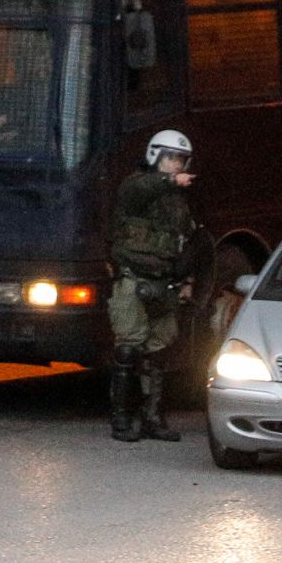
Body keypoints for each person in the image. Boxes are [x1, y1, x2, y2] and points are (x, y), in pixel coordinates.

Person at [107, 129, 200, 444]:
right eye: (171, 158)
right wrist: (171, 181)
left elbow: (188, 242)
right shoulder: (136, 187)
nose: (176, 165)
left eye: (181, 160)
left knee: (158, 352)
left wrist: (188, 282)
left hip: (165, 282)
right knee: (128, 348)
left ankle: (152, 417)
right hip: (134, 278)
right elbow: (137, 192)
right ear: (155, 156)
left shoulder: (178, 203)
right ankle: (121, 418)